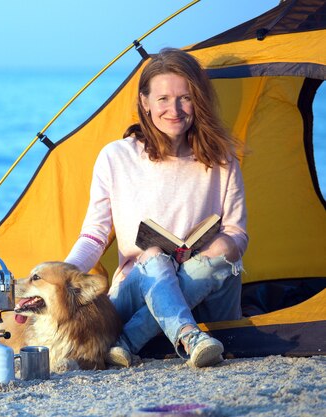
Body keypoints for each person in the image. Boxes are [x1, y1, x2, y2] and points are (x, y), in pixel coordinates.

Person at [65, 48, 248, 368]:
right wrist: (65, 274)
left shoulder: (222, 158)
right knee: (151, 255)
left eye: (185, 98)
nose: (174, 109)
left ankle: (129, 340)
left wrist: (225, 243)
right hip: (138, 289)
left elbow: (237, 231)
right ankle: (191, 337)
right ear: (145, 102)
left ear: (199, 100)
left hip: (204, 283)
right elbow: (95, 234)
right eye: (163, 99)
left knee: (225, 251)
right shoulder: (116, 157)